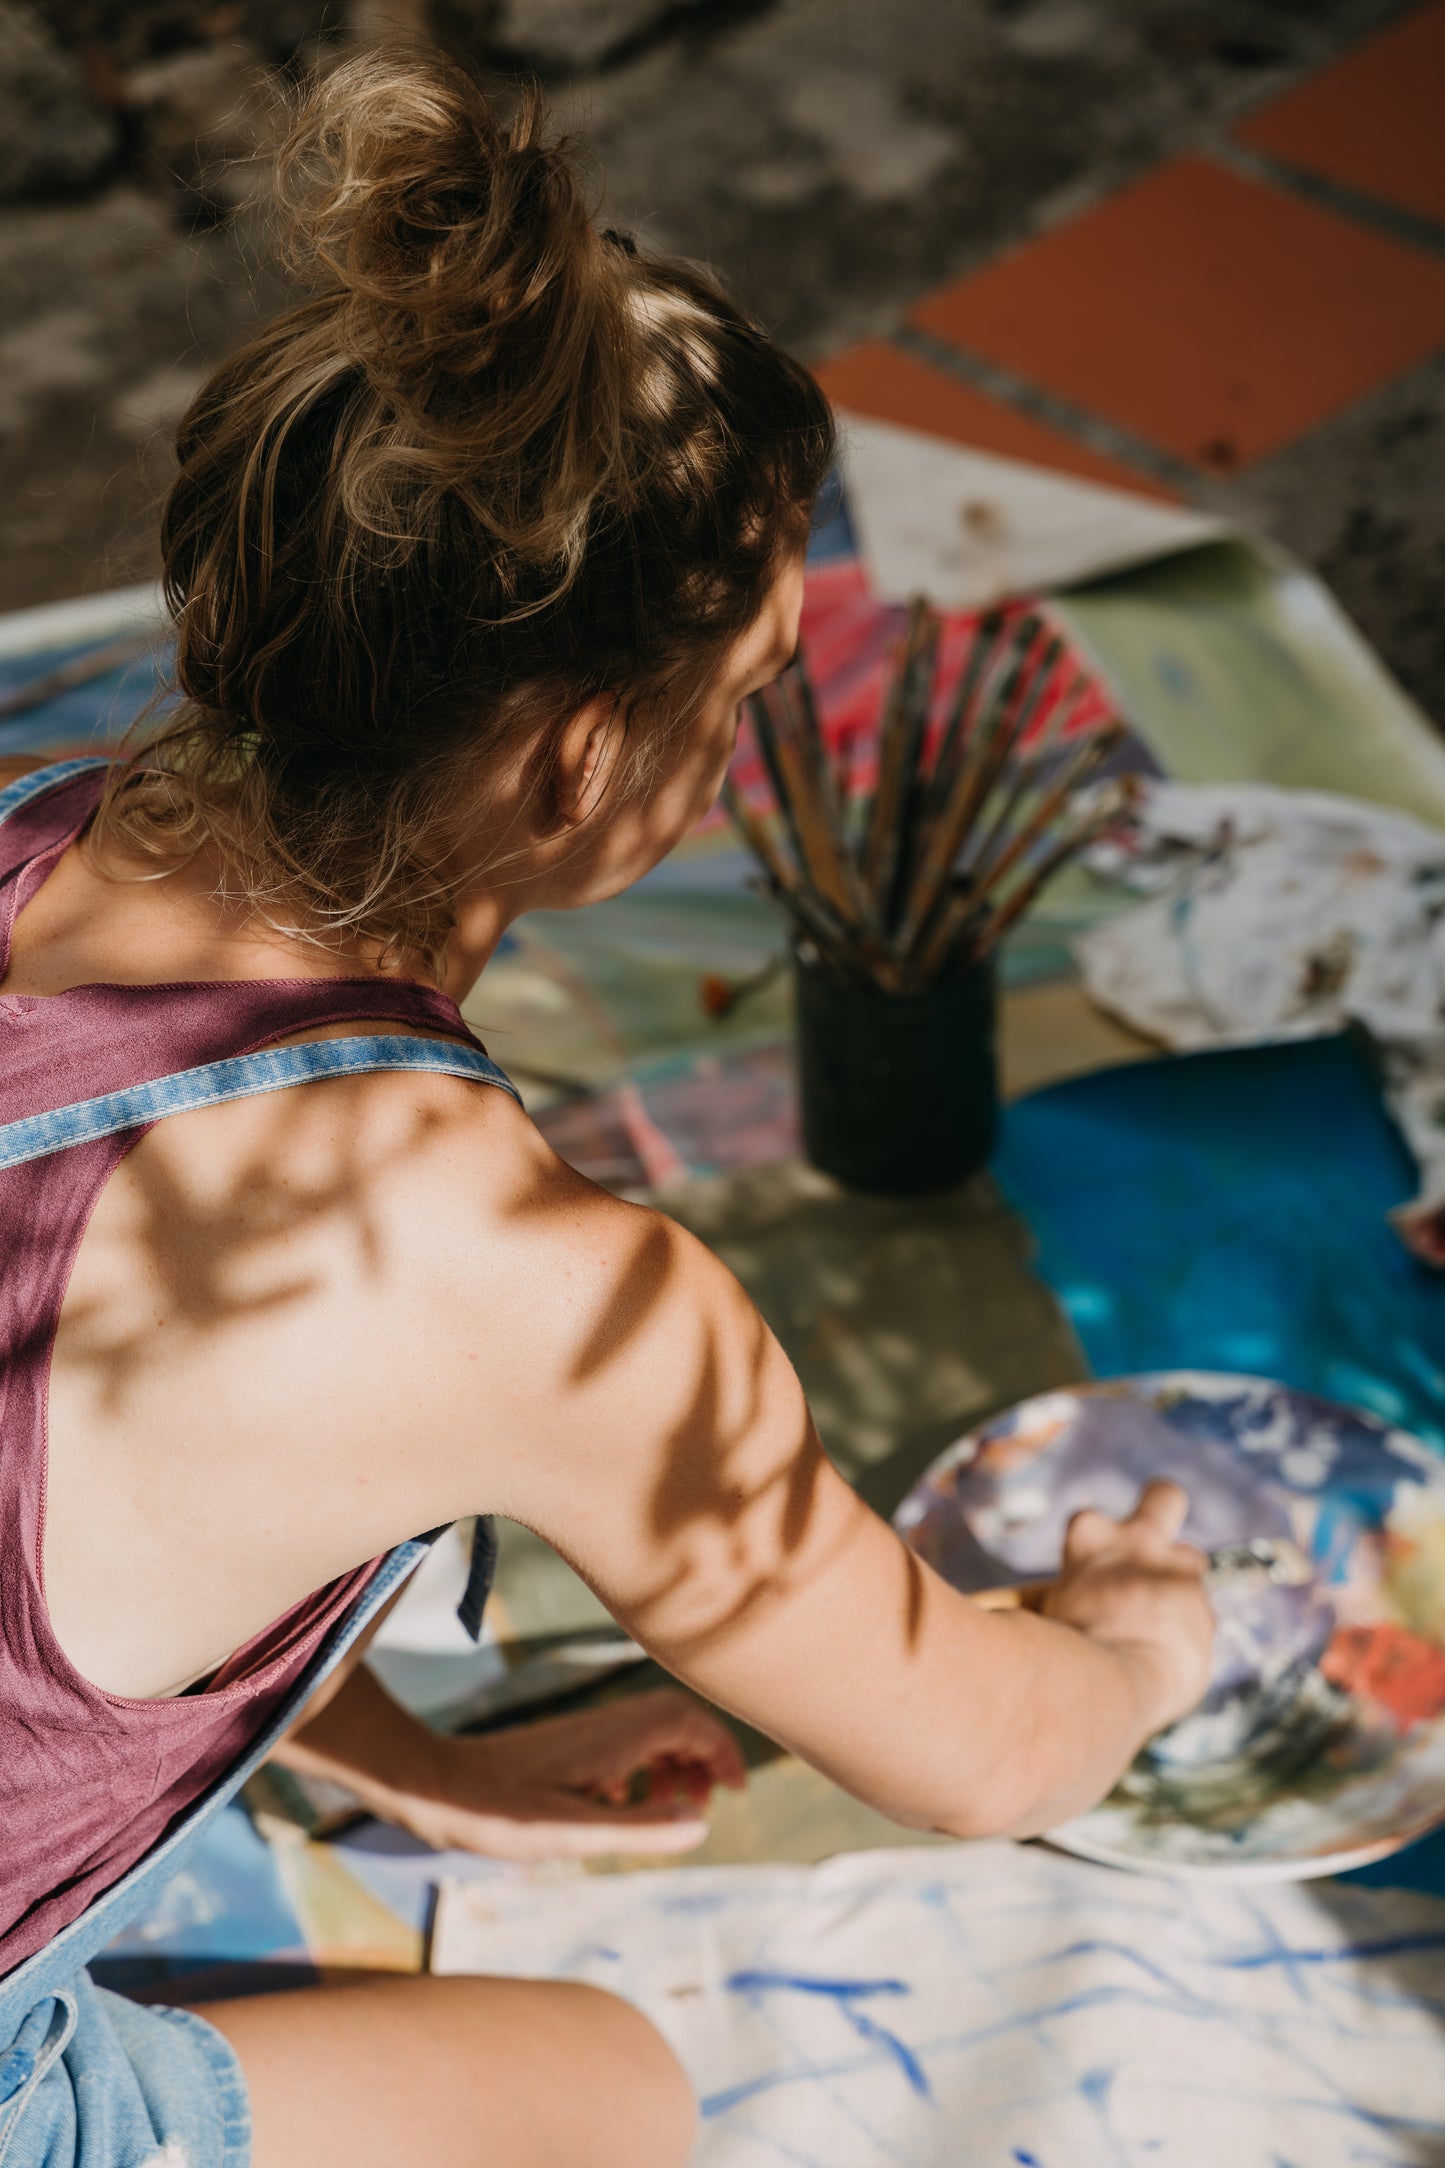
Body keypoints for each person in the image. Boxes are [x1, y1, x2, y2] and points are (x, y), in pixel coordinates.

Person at [0, 48, 1214, 2168]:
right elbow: (977, 1755)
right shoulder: (533, 1297)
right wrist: (1133, 1650)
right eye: (743, 695)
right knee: (607, 2094)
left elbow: (110, 1479)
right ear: (580, 763)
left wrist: (408, 1759)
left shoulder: (39, 832)